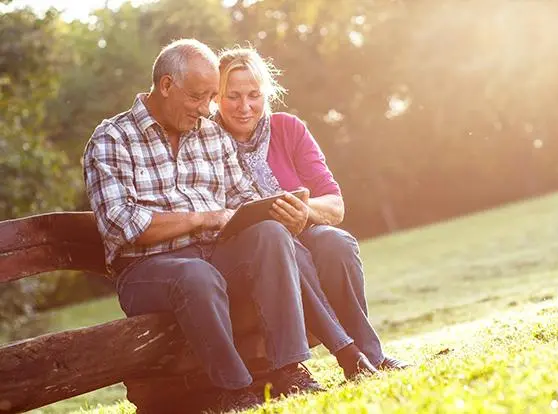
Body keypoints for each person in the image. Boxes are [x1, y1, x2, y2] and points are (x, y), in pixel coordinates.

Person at [82, 39, 324, 413]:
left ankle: (289, 368)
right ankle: (236, 390)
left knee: (270, 235)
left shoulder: (210, 134)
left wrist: (276, 211)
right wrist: (202, 217)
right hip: (147, 270)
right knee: (195, 275)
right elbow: (121, 226)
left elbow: (243, 197)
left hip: (215, 255)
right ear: (166, 86)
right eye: (198, 97)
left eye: (212, 96)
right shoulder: (112, 139)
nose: (206, 109)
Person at [214, 46, 412, 378]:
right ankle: (349, 353)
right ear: (216, 97)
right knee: (284, 243)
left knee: (336, 243)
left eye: (253, 95)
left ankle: (370, 355)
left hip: (302, 233)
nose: (244, 107)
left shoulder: (289, 128)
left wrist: (301, 211)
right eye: (232, 96)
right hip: (250, 256)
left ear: (267, 93)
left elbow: (335, 205)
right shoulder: (205, 142)